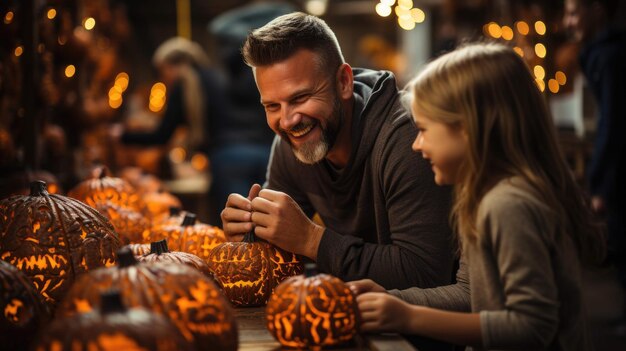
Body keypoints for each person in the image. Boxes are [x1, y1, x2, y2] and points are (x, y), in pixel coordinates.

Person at [348, 43, 605, 350]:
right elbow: (472, 293)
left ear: (468, 129)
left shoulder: (507, 205)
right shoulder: (484, 196)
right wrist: (392, 300)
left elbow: (533, 326)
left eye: (424, 129)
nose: (416, 145)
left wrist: (409, 317)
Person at [220, 12, 454, 290]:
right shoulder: (292, 141)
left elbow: (426, 273)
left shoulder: (408, 138)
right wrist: (252, 233)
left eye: (301, 98)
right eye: (272, 106)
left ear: (343, 82)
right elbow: (279, 252)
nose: (287, 121)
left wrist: (312, 240)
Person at [563, 0, 626, 306]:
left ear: (597, 11)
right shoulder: (601, 54)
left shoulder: (609, 56)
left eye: (574, 13)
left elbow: (613, 123)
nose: (568, 22)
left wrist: (599, 182)